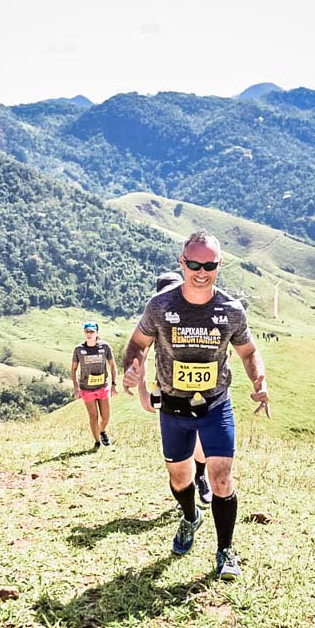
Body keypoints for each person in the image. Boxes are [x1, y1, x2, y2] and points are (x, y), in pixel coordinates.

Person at [122, 231, 270, 579]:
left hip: (216, 404)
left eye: (210, 265)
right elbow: (138, 343)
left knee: (221, 478)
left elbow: (248, 351)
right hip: (174, 406)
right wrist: (133, 366)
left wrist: (260, 381)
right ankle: (190, 517)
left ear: (219, 266)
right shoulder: (160, 306)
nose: (201, 272)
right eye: (194, 264)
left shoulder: (231, 311)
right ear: (182, 263)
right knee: (179, 478)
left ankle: (225, 551)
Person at [153, 271, 214, 506]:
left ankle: (200, 476)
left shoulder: (196, 314)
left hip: (200, 391)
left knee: (199, 441)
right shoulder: (156, 317)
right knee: (180, 447)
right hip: (170, 392)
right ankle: (186, 492)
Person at [72, 321, 119, 450]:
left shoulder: (105, 347)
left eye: (92, 332)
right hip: (86, 389)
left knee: (106, 417)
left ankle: (102, 431)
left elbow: (113, 366)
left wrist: (115, 384)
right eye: (87, 331)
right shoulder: (79, 349)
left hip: (102, 387)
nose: (89, 334)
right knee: (93, 416)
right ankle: (97, 442)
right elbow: (73, 369)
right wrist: (76, 389)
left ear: (97, 333)